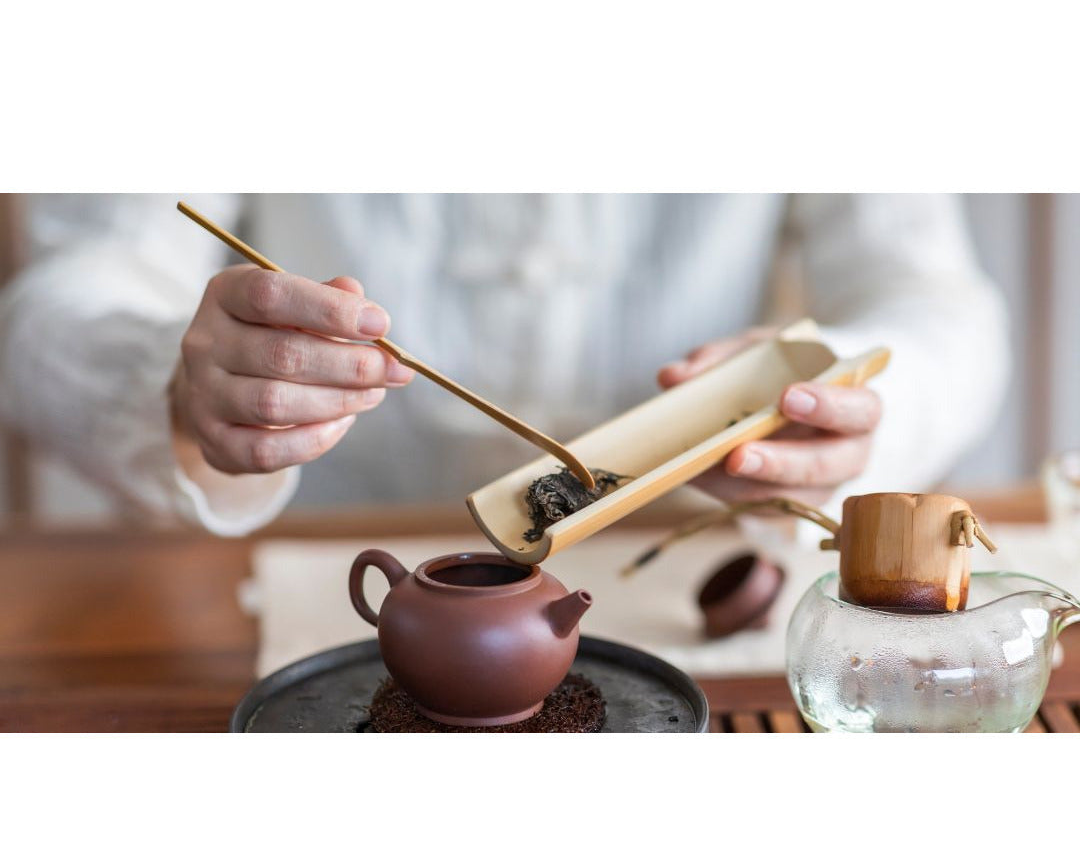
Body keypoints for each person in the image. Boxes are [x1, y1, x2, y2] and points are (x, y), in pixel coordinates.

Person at [0, 195, 1009, 535]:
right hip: (307, 572)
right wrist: (175, 387)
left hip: (692, 571)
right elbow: (62, 293)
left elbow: (939, 307)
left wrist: (836, 392)